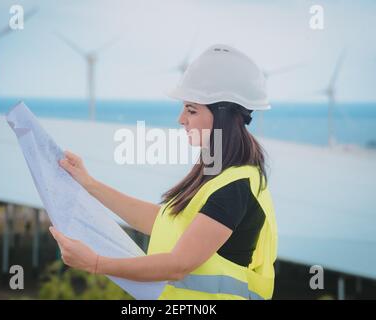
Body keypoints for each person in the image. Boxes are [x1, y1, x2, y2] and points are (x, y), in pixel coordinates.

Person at [49, 44, 278, 300]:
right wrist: (89, 184)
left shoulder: (234, 188)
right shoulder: (219, 173)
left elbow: (178, 265)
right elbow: (162, 221)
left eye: (191, 110)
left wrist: (95, 263)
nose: (181, 119)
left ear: (222, 115)